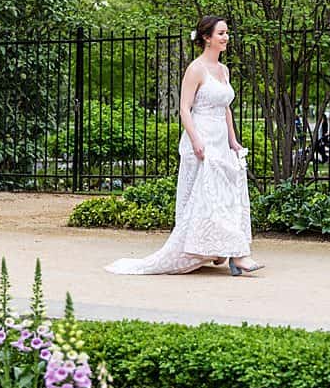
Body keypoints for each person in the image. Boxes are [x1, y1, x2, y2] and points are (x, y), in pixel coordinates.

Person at [107, 16, 260, 276]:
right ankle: (234, 254)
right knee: (205, 198)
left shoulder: (224, 71)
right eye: (221, 33)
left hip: (220, 139)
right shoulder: (196, 68)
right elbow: (184, 108)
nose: (225, 37)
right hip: (201, 138)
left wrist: (233, 139)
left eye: (227, 33)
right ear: (206, 37)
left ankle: (224, 250)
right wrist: (196, 139)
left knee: (225, 196)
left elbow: (226, 108)